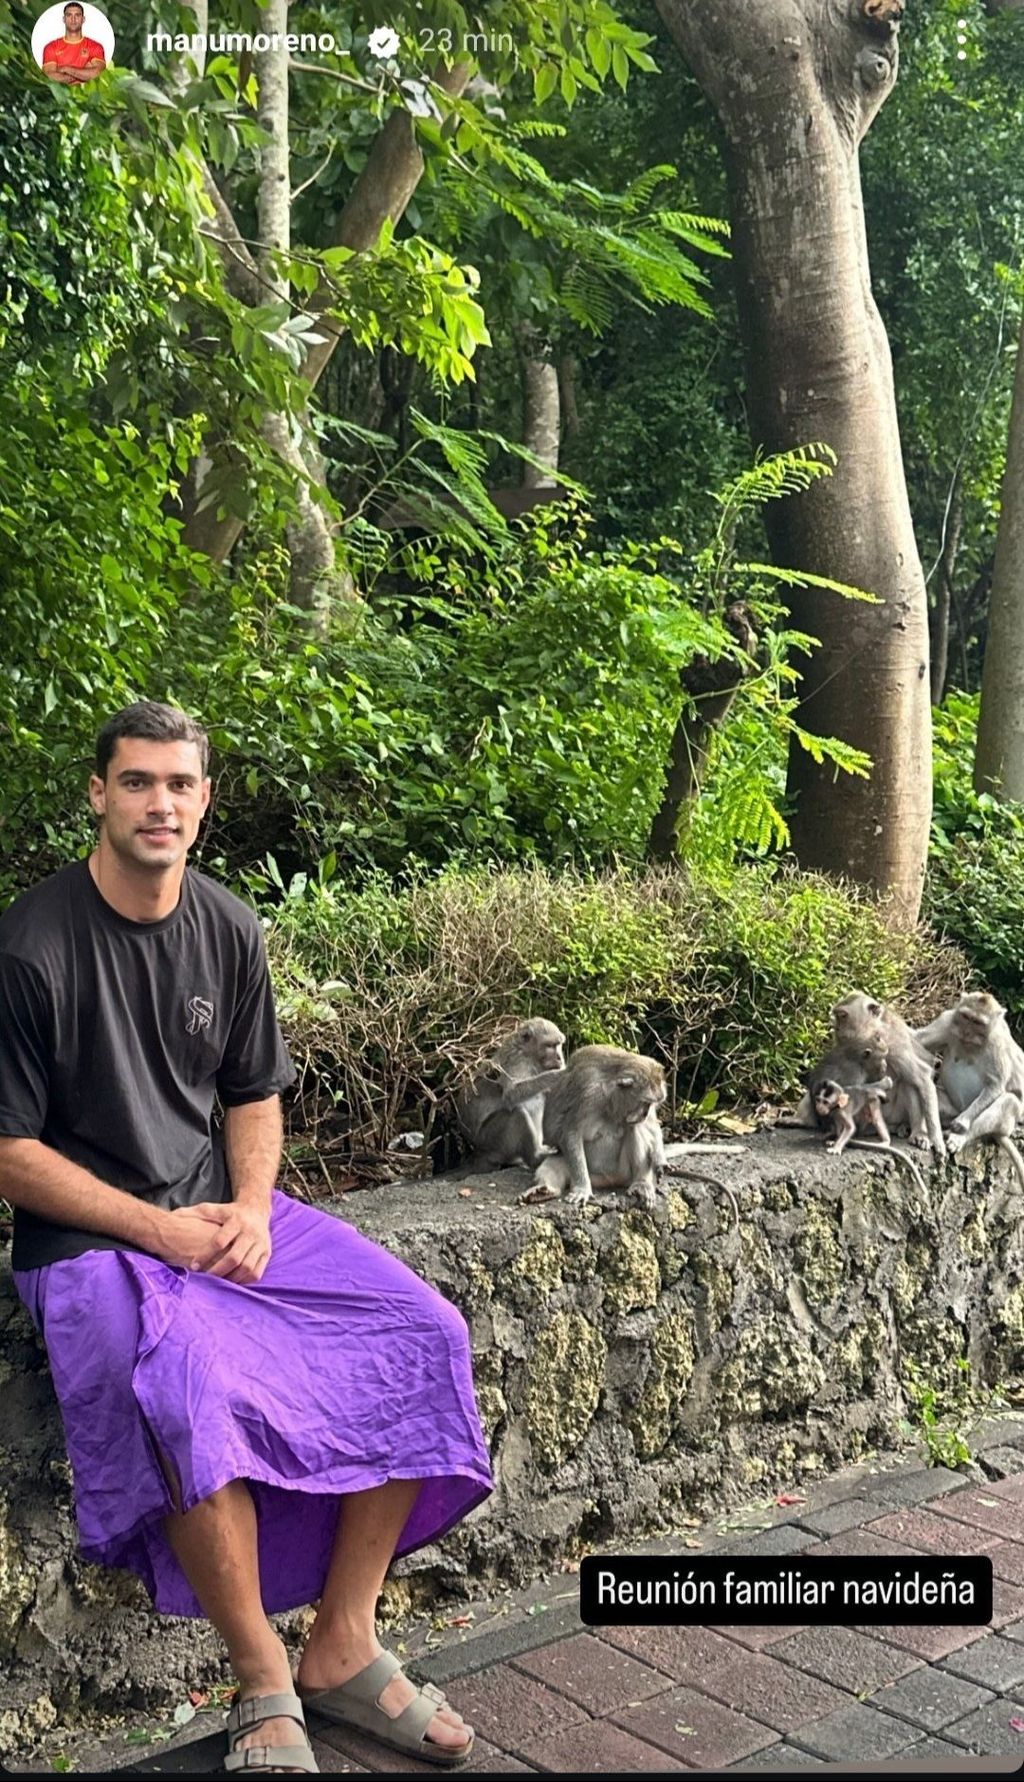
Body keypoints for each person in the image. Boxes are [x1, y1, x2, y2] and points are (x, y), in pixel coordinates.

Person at [0, 701, 492, 1774]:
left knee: (421, 1332)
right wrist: (155, 1230)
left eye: (180, 784)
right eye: (137, 782)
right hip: (87, 1244)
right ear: (98, 793)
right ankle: (263, 1677)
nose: (159, 804)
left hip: (220, 1217)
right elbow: (8, 1152)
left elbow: (252, 1095)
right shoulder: (29, 948)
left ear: (205, 800)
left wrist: (257, 1210)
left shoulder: (225, 924)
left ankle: (344, 1644)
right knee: (186, 1393)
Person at [41, 2, 106, 82]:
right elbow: (48, 76)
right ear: (64, 19)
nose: (73, 19)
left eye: (77, 15)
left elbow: (97, 73)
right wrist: (83, 74)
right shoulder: (51, 47)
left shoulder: (95, 46)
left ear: (83, 19)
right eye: (69, 15)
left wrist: (65, 69)